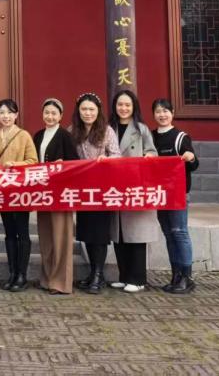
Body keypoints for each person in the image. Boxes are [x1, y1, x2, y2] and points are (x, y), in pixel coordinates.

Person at [108, 89, 158, 293]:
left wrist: (148, 158)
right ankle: (124, 276)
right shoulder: (108, 128)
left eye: (127, 105)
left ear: (134, 107)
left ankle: (137, 279)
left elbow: (152, 152)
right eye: (120, 104)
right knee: (119, 234)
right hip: (114, 186)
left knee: (136, 234)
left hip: (135, 186)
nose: (123, 108)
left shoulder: (141, 129)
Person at [0, 98, 37, 292]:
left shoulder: (24, 136)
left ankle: (22, 275)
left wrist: (16, 165)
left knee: (22, 231)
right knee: (9, 232)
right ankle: (12, 272)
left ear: (16, 115)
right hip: (2, 191)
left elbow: (33, 161)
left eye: (9, 112)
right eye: (2, 112)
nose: (6, 116)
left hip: (21, 191)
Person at [71, 92, 120, 294]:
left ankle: (99, 275)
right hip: (83, 190)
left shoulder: (107, 131)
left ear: (98, 111)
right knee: (87, 232)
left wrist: (106, 160)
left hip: (102, 189)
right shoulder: (72, 131)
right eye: (84, 109)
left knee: (99, 234)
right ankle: (93, 273)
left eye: (91, 109)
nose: (87, 113)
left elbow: (117, 155)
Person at [32, 97, 79, 295]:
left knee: (61, 238)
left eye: (54, 113)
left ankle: (60, 282)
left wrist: (63, 164)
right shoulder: (38, 135)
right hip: (43, 193)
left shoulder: (65, 136)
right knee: (46, 237)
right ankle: (47, 278)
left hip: (61, 193)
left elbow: (75, 162)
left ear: (60, 116)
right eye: (46, 113)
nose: (49, 116)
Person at [151, 97, 199, 294]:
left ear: (172, 113)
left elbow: (194, 165)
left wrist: (190, 157)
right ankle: (176, 275)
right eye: (158, 111)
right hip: (160, 194)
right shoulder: (151, 137)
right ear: (153, 115)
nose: (162, 115)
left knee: (179, 232)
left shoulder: (181, 137)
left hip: (178, 194)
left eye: (165, 111)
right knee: (168, 234)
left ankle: (187, 277)